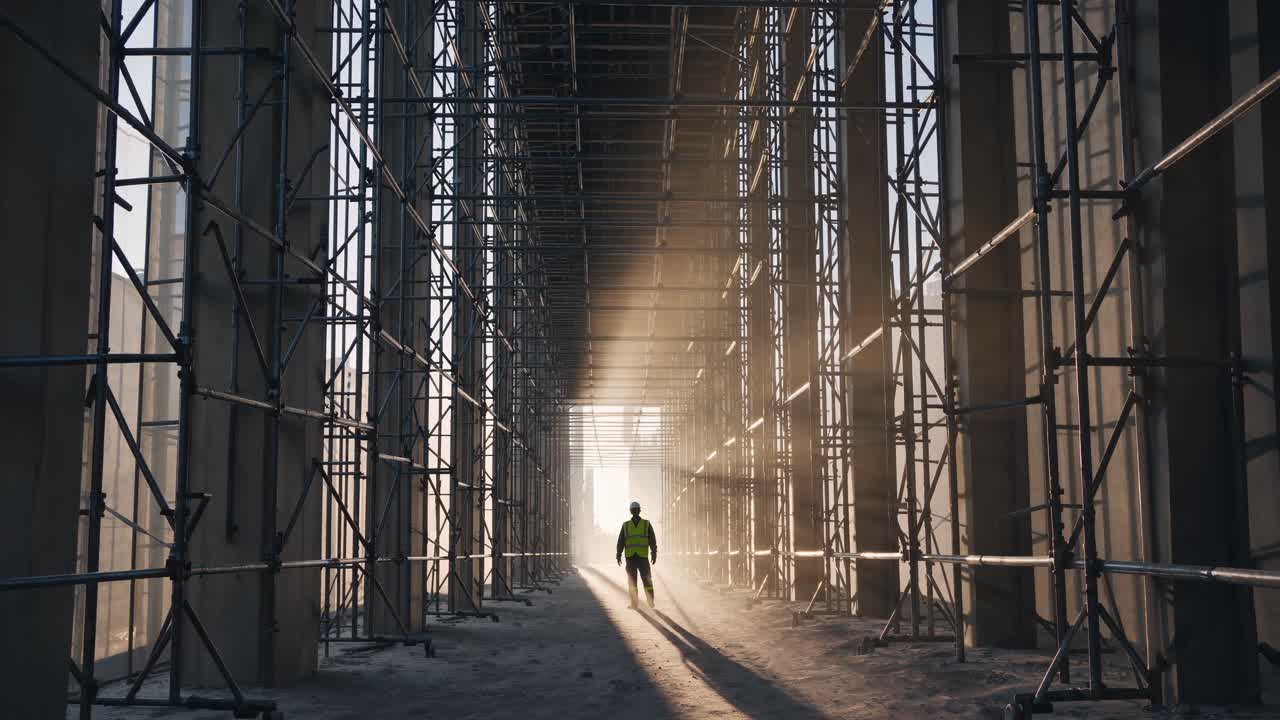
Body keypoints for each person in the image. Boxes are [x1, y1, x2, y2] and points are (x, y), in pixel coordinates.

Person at [615, 501, 657, 609]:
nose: (635, 511)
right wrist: (618, 554)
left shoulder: (646, 524)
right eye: (634, 510)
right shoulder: (626, 525)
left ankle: (650, 601)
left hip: (641, 557)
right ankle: (634, 603)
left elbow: (652, 540)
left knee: (646, 580)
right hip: (631, 558)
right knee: (633, 582)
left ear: (639, 511)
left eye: (636, 510)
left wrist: (654, 552)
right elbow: (621, 541)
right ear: (632, 511)